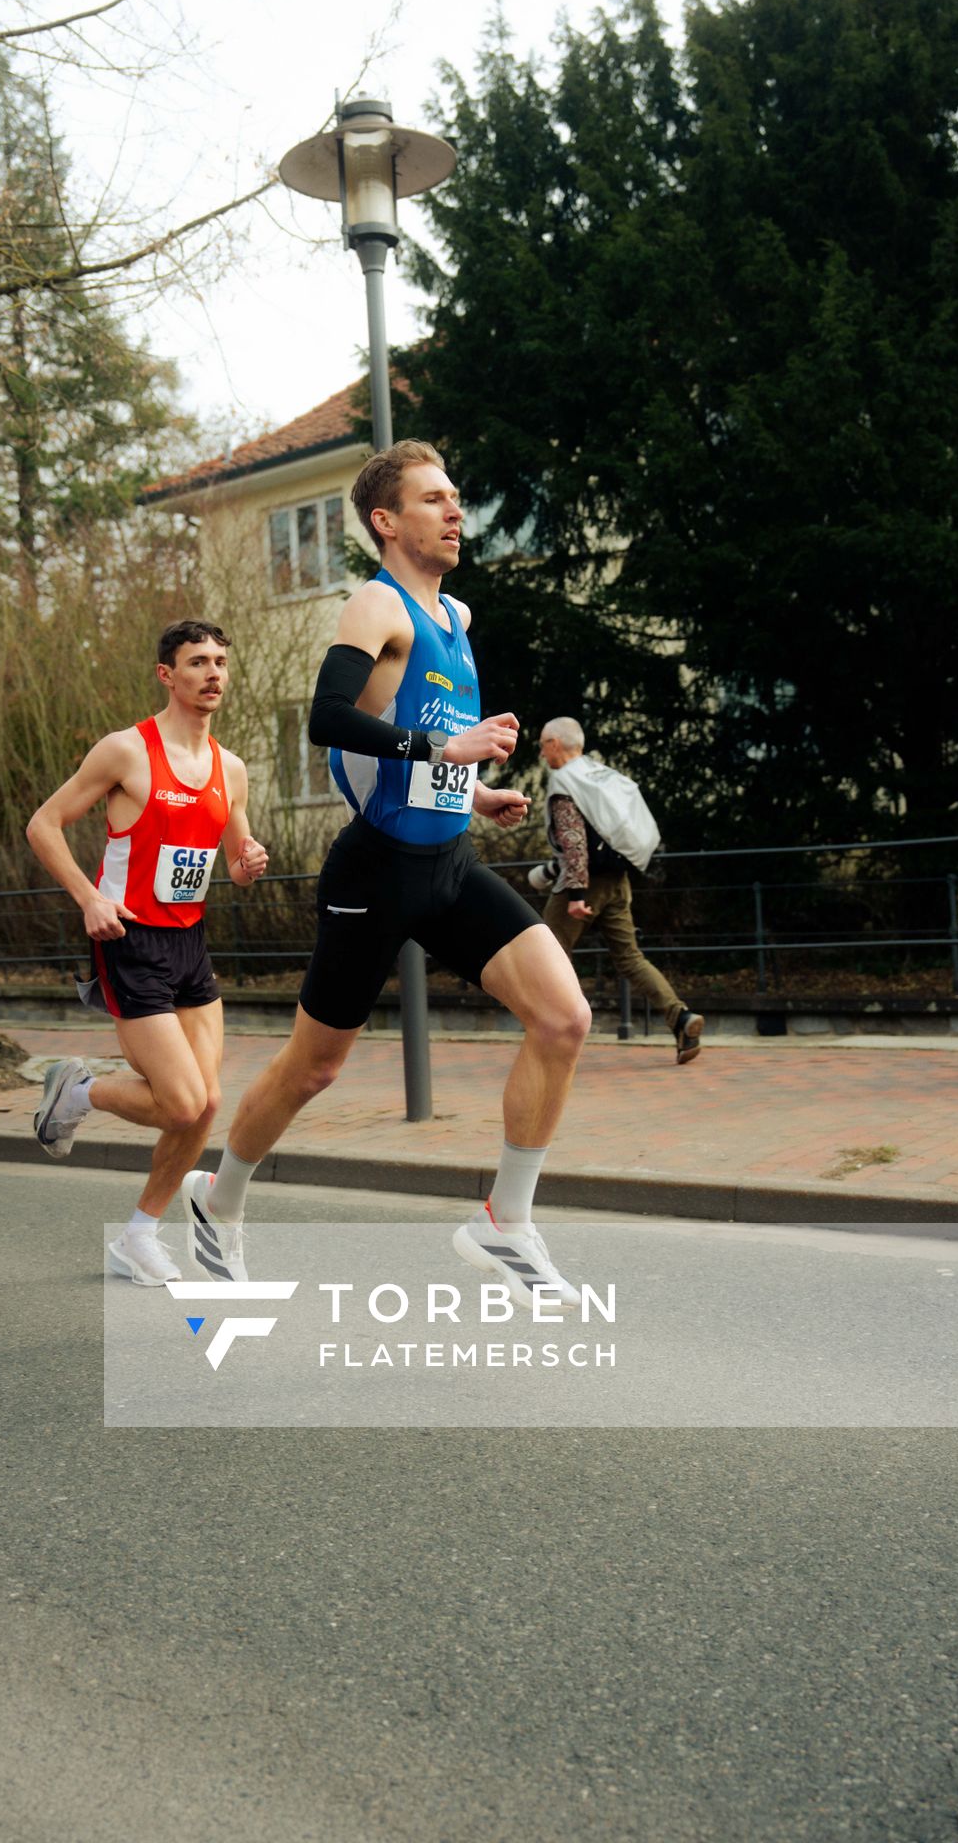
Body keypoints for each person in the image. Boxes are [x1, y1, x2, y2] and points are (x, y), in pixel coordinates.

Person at [179, 440, 593, 1308]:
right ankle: (219, 1203)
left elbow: (417, 740)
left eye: (456, 495)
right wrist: (449, 747)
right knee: (314, 1067)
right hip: (373, 871)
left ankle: (505, 1223)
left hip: (446, 863)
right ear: (386, 520)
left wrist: (472, 791)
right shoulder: (377, 602)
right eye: (434, 498)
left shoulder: (460, 620)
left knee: (564, 1018)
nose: (455, 511)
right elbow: (329, 722)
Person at [26, 621, 268, 1284]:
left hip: (190, 942)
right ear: (168, 675)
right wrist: (87, 898)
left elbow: (235, 857)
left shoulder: (232, 768)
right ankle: (78, 1090)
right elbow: (42, 825)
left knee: (206, 1103)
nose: (213, 672)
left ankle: (138, 1235)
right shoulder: (126, 752)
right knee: (184, 1102)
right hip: (128, 937)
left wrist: (247, 863)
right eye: (198, 662)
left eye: (221, 661)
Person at [535, 718, 705, 1065]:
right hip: (619, 880)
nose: (540, 752)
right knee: (630, 958)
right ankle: (681, 1018)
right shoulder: (602, 775)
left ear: (555, 744)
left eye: (541, 744)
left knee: (548, 954)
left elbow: (574, 842)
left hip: (582, 883)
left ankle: (560, 1036)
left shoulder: (565, 781)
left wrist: (578, 894)